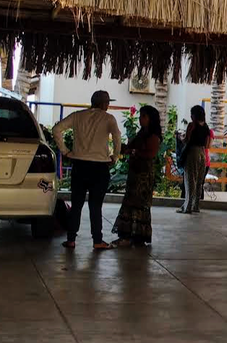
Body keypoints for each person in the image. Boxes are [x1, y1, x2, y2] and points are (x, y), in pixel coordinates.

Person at [52, 90, 121, 250]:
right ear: (104, 104)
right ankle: (97, 240)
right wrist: (114, 156)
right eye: (108, 102)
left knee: (76, 205)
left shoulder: (77, 116)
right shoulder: (108, 118)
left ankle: (71, 240)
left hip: (80, 165)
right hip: (100, 168)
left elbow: (56, 130)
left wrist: (65, 151)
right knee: (96, 206)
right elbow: (117, 137)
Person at [111, 105, 162, 248]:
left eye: (143, 117)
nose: (140, 119)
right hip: (135, 173)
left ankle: (136, 235)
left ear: (150, 119)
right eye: (140, 116)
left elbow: (150, 154)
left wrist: (133, 152)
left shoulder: (153, 136)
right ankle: (129, 234)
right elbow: (129, 148)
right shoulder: (142, 133)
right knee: (130, 202)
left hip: (143, 175)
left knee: (138, 203)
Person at [178, 105, 213, 214]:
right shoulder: (206, 127)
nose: (190, 116)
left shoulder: (191, 125)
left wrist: (179, 137)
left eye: (191, 114)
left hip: (192, 152)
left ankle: (187, 207)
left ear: (194, 115)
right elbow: (207, 145)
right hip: (202, 153)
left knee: (190, 180)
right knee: (199, 181)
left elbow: (186, 140)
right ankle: (195, 206)